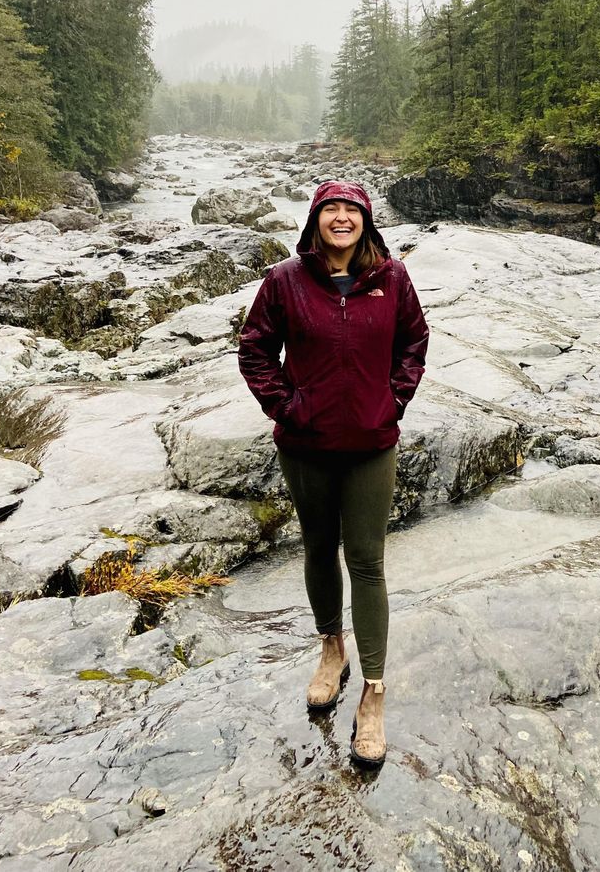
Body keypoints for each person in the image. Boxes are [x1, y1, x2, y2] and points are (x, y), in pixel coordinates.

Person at [237, 179, 429, 768]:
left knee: (366, 561)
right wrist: (286, 407)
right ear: (315, 220)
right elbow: (255, 350)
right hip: (306, 443)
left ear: (366, 222)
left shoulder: (391, 279)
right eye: (331, 210)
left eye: (352, 211)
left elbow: (414, 343)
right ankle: (330, 648)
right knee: (320, 547)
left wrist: (392, 401)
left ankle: (373, 693)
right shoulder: (285, 280)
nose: (341, 219)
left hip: (371, 443)